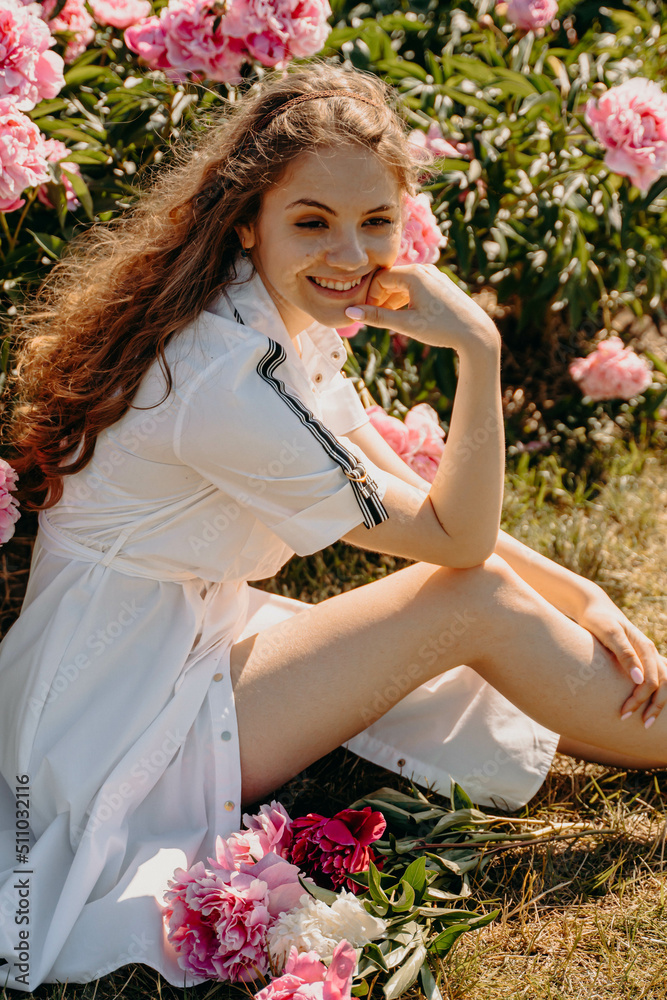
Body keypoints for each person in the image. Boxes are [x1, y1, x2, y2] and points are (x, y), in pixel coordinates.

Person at [0, 61, 665, 991]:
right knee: (472, 599)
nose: (350, 254)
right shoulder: (225, 381)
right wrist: (478, 349)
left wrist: (581, 590)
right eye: (312, 222)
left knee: (485, 600)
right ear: (247, 219)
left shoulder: (259, 312)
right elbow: (458, 544)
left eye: (375, 221)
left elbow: (409, 490)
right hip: (120, 721)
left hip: (159, 646)